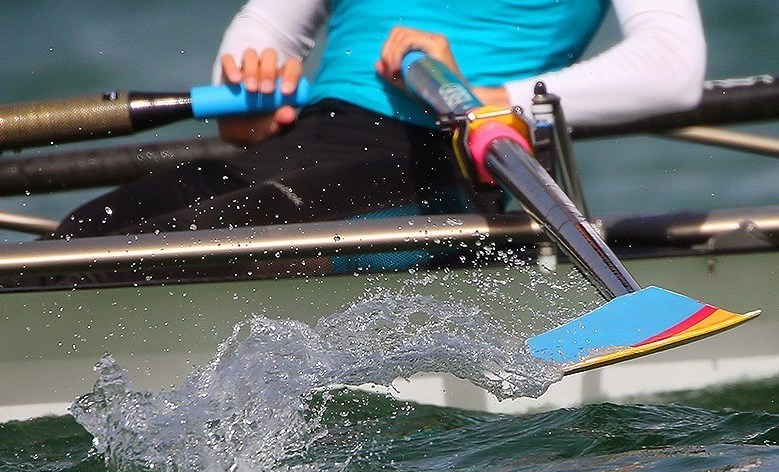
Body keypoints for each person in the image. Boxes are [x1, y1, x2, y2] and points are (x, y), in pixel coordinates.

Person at [51, 1, 705, 268]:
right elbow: (267, 28)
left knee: (148, 252)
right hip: (304, 143)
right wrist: (246, 78)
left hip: (445, 161)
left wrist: (487, 97)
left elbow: (671, 69)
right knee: (83, 232)